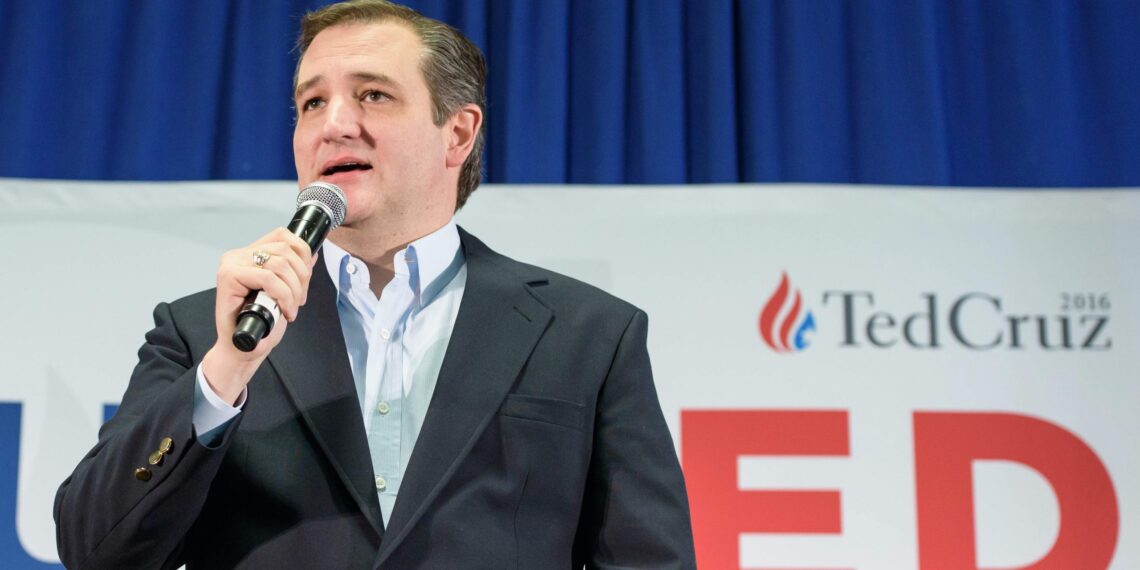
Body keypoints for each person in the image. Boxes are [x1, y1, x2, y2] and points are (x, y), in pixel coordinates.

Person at [54, 1, 696, 567]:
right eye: (312, 102)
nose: (334, 124)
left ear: (459, 133)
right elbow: (96, 550)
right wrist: (225, 373)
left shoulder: (589, 335)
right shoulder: (205, 335)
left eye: (373, 95)